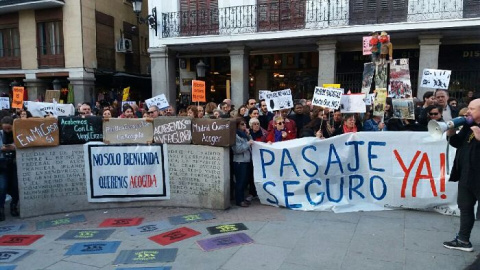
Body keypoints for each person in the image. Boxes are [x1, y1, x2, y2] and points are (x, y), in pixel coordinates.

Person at [443, 98, 480, 252]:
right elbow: (457, 143)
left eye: (472, 109)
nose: (468, 111)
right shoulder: (468, 125)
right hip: (466, 175)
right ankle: (463, 240)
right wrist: (451, 132)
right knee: (465, 207)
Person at [231, 118, 254, 207]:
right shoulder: (235, 135)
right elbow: (238, 149)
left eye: (245, 124)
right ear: (237, 126)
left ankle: (242, 198)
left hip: (246, 160)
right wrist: (248, 143)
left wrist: (249, 135)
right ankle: (239, 200)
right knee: (240, 181)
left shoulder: (244, 134)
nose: (244, 126)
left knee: (244, 181)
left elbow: (251, 143)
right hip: (240, 161)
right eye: (242, 124)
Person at [0, 116, 19, 219]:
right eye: (5, 128)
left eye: (9, 128)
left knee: (16, 187)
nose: (7, 130)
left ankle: (14, 205)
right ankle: (1, 208)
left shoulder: (17, 132)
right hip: (2, 165)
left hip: (14, 164)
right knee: (2, 187)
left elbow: (22, 144)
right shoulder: (0, 134)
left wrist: (14, 147)